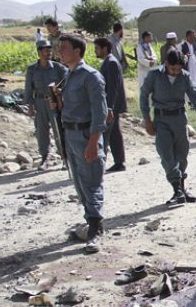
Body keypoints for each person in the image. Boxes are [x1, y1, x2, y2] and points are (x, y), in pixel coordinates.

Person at [52, 34, 107, 253]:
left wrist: (93, 142)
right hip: (70, 134)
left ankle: (95, 229)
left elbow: (99, 112)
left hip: (86, 134)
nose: (60, 52)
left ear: (77, 51)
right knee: (79, 183)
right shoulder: (69, 75)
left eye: (64, 48)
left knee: (92, 181)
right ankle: (90, 220)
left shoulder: (91, 76)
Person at [140, 50, 196, 208]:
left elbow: (195, 97)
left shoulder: (184, 76)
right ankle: (177, 189)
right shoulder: (154, 75)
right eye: (173, 69)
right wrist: (147, 120)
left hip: (179, 119)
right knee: (166, 155)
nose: (176, 72)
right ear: (166, 63)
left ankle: (181, 190)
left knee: (182, 155)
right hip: (161, 119)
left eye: (178, 69)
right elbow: (143, 96)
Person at [23, 40, 66, 170]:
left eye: (50, 50)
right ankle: (45, 158)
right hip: (39, 103)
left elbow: (67, 84)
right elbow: (28, 89)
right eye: (46, 50)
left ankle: (65, 158)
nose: (49, 53)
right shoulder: (32, 70)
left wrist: (60, 97)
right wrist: (30, 106)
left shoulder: (58, 68)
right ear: (39, 52)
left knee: (59, 130)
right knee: (42, 131)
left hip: (54, 102)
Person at [93, 37, 127, 172]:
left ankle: (100, 164)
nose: (95, 51)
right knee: (113, 134)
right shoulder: (108, 62)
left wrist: (109, 107)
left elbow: (112, 88)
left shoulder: (111, 63)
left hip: (112, 106)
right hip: (112, 105)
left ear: (104, 48)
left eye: (97, 48)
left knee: (105, 134)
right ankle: (119, 162)